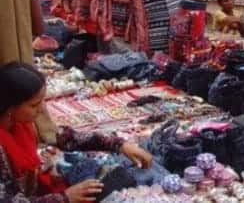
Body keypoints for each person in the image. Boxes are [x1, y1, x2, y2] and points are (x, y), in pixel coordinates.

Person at [0, 62, 152, 203]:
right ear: (10, 107)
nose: (41, 109)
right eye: (34, 105)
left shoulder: (24, 123)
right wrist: (65, 198)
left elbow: (68, 138)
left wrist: (120, 144)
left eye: (42, 101)